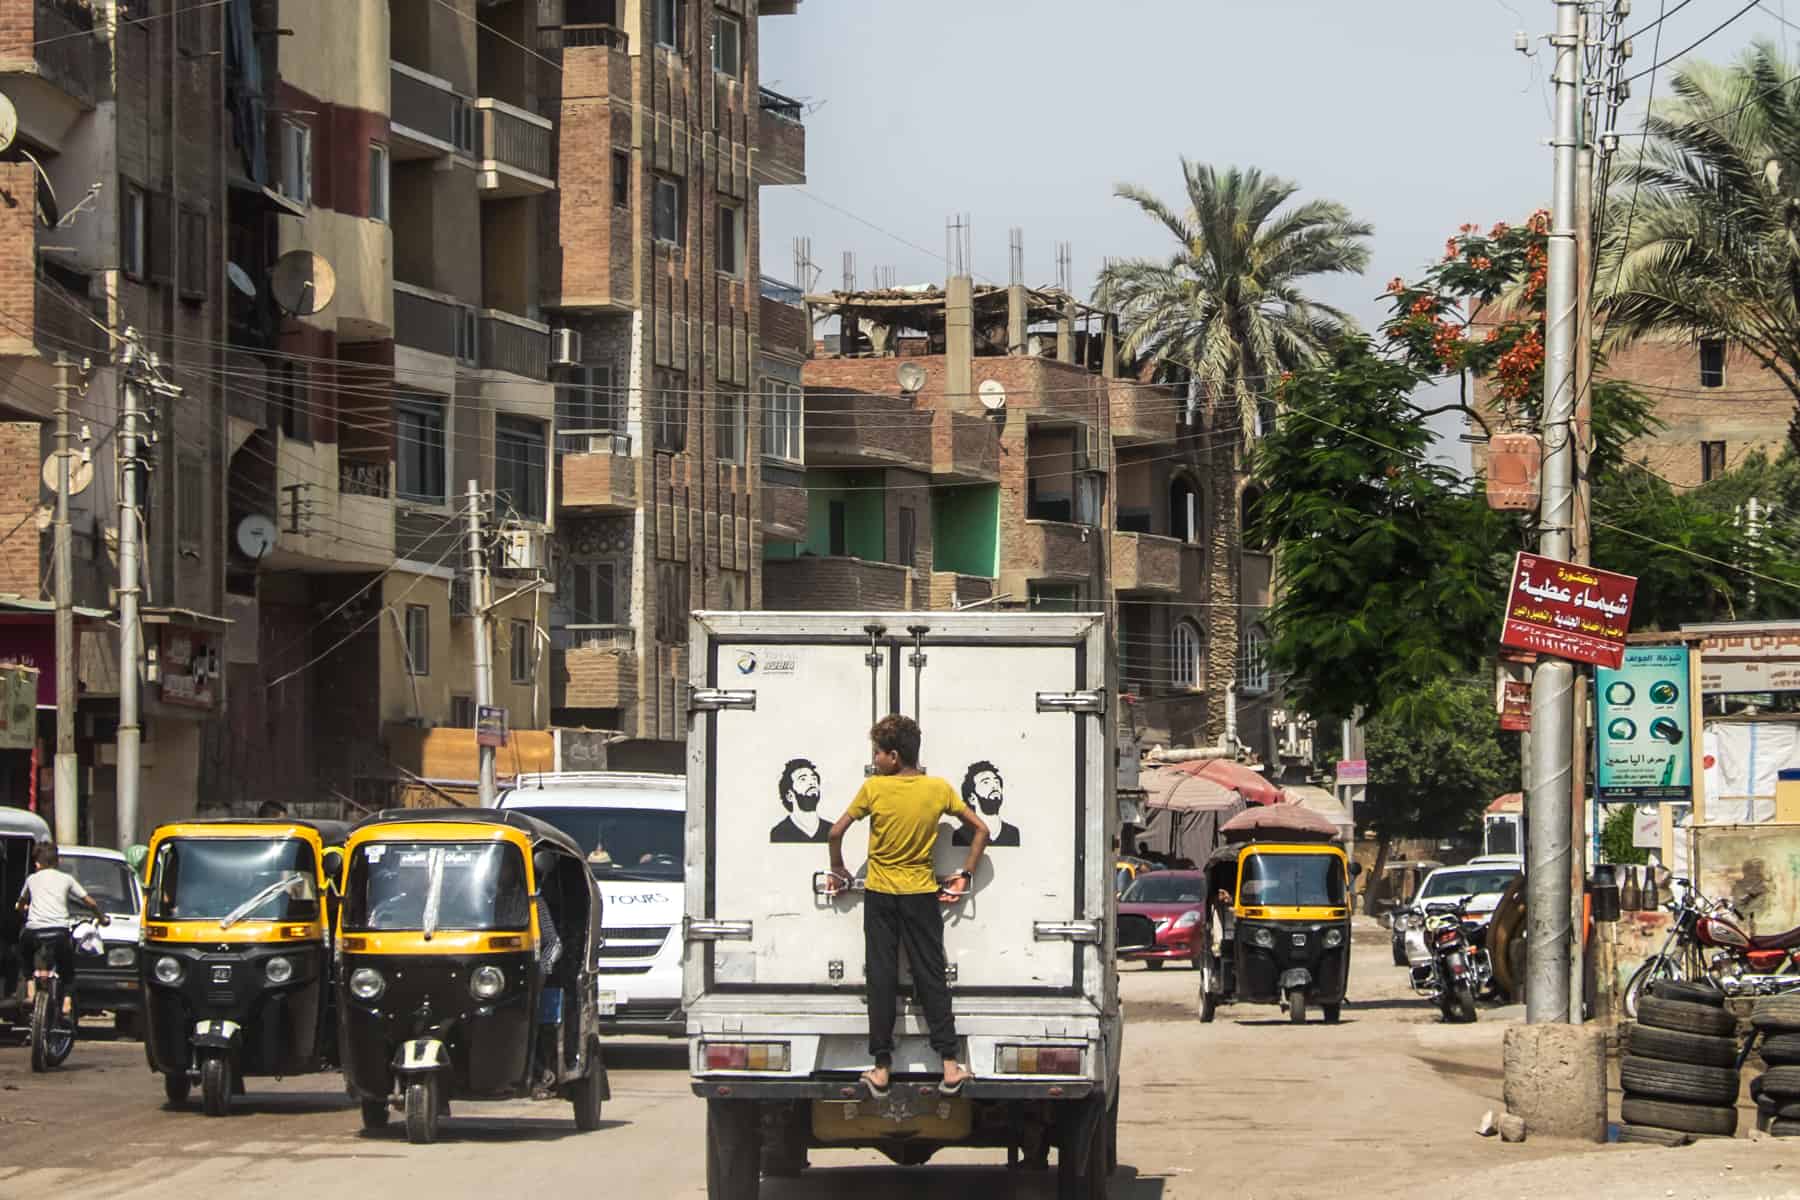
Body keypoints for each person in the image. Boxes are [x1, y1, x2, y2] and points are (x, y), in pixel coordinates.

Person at [826, 715, 989, 1099]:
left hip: (881, 895)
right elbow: (981, 829)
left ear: (894, 756)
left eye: (878, 754)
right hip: (920, 895)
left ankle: (881, 1067)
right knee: (930, 975)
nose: (874, 761)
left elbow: (835, 831)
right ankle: (949, 1065)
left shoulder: (874, 790)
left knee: (881, 977)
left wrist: (837, 866)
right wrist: (965, 873)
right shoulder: (938, 789)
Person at [16, 844, 108, 1013]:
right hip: (58, 931)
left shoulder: (31, 879)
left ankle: (31, 991)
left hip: (34, 932)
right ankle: (66, 1002)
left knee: (25, 955)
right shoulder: (66, 879)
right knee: (67, 967)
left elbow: (20, 904)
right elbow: (90, 902)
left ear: (37, 863)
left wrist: (24, 911)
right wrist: (101, 918)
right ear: (58, 861)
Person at [951, 761, 1018, 847]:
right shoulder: (961, 836)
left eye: (996, 782)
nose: (994, 786)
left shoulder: (1012, 833)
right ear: (972, 798)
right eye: (986, 782)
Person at [770, 758, 828, 843]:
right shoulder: (779, 833)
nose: (812, 782)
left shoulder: (831, 829)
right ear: (790, 796)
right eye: (803, 779)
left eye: (814, 778)